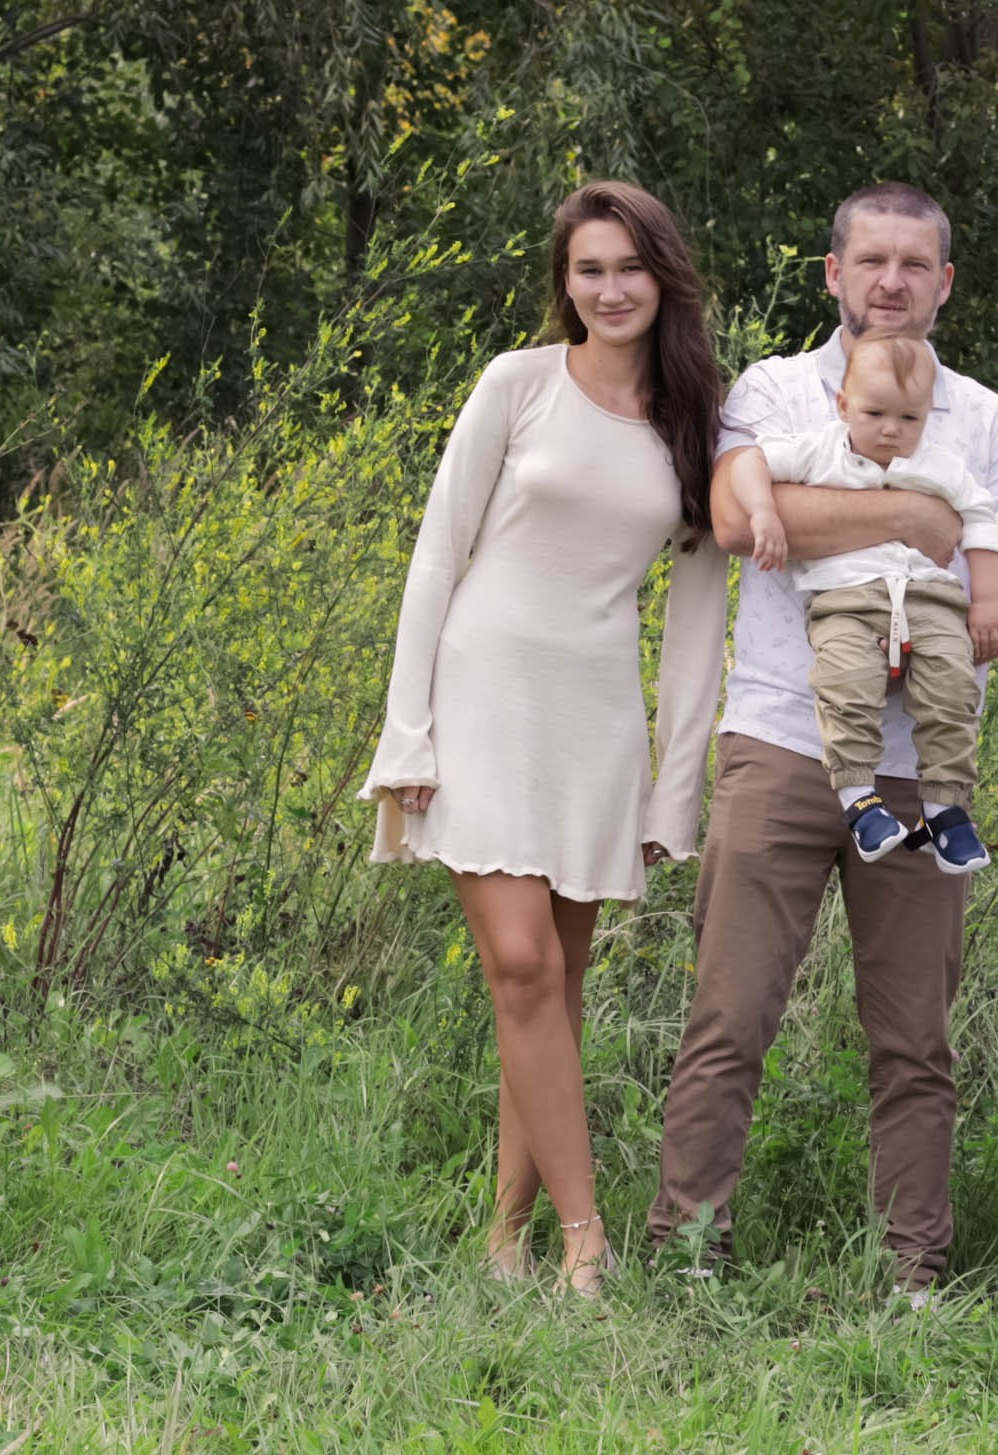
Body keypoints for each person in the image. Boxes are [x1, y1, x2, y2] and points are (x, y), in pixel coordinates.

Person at [646, 182, 998, 1297]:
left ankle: (913, 1268)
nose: (889, 282)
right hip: (780, 738)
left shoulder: (986, 418)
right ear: (833, 273)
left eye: (913, 265)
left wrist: (843, 527)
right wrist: (921, 521)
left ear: (944, 282)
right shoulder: (777, 389)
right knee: (729, 1014)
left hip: (920, 769)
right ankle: (688, 1251)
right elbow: (738, 524)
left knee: (913, 1038)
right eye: (869, 261)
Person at [360, 181, 729, 1295]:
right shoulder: (515, 384)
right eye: (588, 270)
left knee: (555, 990)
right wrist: (406, 734)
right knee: (520, 965)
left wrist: (676, 793)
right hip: (482, 695)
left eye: (628, 267)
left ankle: (504, 1241)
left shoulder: (695, 425)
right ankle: (586, 1241)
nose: (609, 289)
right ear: (564, 283)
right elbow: (437, 553)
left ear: (662, 274)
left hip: (597, 717)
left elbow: (699, 622)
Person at [725, 329, 998, 869]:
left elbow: (982, 522)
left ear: (928, 415)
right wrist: (764, 511)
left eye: (909, 419)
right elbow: (748, 462)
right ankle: (859, 798)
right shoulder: (821, 450)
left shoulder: (942, 466)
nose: (890, 430)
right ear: (843, 404)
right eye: (875, 413)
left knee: (954, 688)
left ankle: (944, 809)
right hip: (846, 601)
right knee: (847, 685)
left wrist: (989, 601)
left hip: (930, 599)